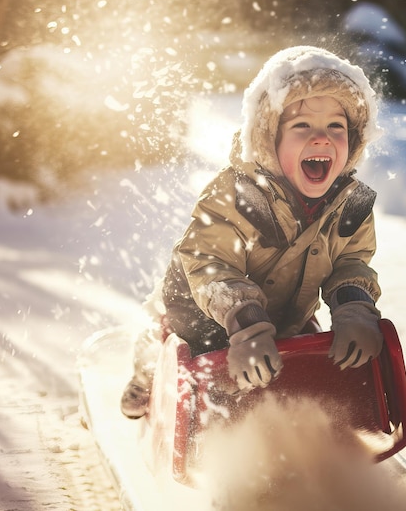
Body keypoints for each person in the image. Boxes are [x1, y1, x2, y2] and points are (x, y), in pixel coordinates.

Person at [121, 45, 384, 419]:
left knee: (297, 346)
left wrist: (355, 309)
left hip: (283, 310)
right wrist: (244, 326)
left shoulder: (351, 204)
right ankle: (150, 365)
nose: (322, 138)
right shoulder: (239, 194)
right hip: (205, 310)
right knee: (202, 353)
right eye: (302, 126)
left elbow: (352, 261)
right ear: (269, 138)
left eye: (336, 127)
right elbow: (210, 261)